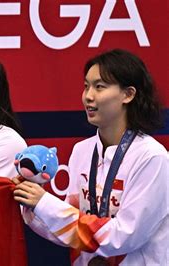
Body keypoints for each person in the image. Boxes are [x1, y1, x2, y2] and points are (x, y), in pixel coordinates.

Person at [13, 49, 168, 265]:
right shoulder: (82, 151)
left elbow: (123, 237)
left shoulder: (152, 158)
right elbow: (72, 232)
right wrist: (30, 204)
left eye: (99, 87)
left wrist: (46, 203)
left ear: (128, 94)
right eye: (86, 86)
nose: (88, 96)